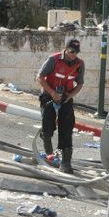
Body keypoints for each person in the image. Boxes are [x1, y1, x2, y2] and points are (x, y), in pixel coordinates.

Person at [36, 39, 85, 174]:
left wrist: (70, 96)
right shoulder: (54, 59)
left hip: (65, 97)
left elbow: (80, 84)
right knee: (48, 126)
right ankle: (47, 144)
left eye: (76, 52)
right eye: (71, 52)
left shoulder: (80, 64)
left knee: (67, 128)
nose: (73, 55)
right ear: (66, 49)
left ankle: (66, 162)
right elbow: (40, 77)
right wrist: (51, 93)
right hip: (48, 95)